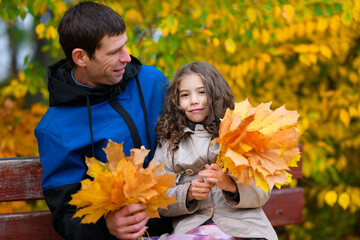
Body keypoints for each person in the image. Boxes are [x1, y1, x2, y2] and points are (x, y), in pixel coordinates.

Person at [34, 2, 171, 240]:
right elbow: (66, 215)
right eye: (113, 52)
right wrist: (106, 227)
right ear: (81, 57)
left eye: (125, 45)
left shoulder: (152, 82)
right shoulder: (55, 129)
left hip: (187, 223)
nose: (127, 57)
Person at [154, 61, 278, 240]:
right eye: (185, 95)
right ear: (176, 101)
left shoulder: (240, 134)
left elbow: (261, 193)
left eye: (202, 92)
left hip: (245, 227)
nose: (194, 100)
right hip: (194, 228)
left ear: (216, 93)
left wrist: (229, 184)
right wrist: (187, 193)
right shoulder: (169, 143)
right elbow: (158, 198)